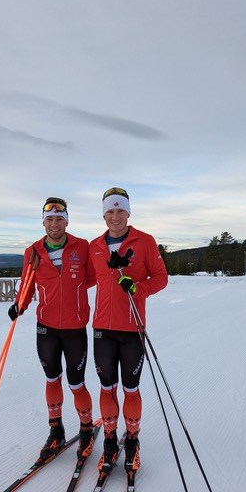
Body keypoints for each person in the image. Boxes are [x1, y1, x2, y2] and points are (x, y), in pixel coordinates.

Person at [8, 197, 95, 461]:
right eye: (49, 219)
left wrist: (73, 292)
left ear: (67, 221)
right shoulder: (33, 251)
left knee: (76, 382)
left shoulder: (82, 247)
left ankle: (87, 430)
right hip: (46, 328)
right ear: (43, 222)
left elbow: (91, 277)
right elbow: (27, 284)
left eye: (59, 218)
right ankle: (56, 431)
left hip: (75, 327)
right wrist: (19, 305)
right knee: (51, 379)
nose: (54, 223)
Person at [89, 187, 168, 473]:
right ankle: (110, 440)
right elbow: (81, 279)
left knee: (130, 388)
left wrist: (137, 288)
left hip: (132, 328)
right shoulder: (95, 246)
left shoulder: (144, 241)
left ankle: (132, 440)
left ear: (128, 212)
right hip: (102, 330)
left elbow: (161, 278)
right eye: (109, 211)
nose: (115, 216)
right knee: (107, 387)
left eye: (120, 210)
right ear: (103, 214)